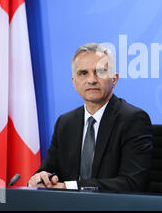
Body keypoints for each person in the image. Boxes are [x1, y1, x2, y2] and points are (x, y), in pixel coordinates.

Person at [28, 43, 153, 192]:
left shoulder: (133, 120)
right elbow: (50, 169)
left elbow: (132, 182)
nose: (92, 80)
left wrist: (70, 186)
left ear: (114, 79)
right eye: (83, 73)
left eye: (100, 72)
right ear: (74, 82)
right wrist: (42, 177)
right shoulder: (65, 122)